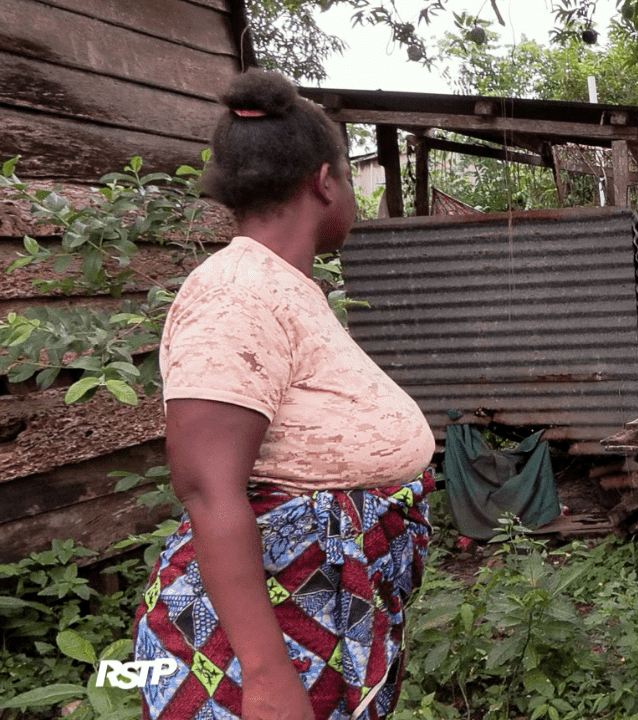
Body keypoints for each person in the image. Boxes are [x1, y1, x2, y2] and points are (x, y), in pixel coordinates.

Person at [133, 70, 436, 720]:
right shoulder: (235, 295)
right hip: (276, 633)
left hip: (323, 607)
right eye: (351, 180)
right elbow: (207, 487)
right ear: (324, 181)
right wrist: (267, 676)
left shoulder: (282, 287)